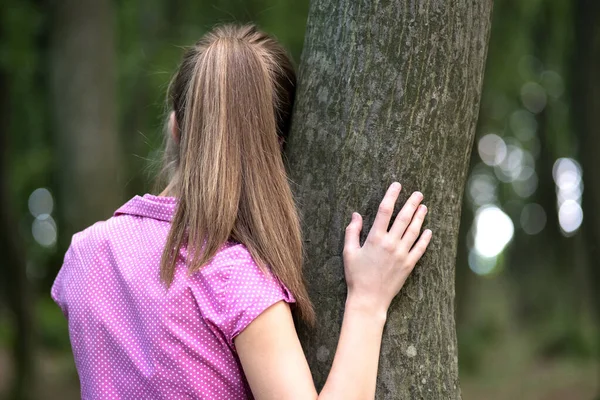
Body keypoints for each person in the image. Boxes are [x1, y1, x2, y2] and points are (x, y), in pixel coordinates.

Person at [51, 23, 432, 400]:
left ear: (176, 127)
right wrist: (368, 301)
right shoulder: (235, 280)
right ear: (278, 151)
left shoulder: (84, 255)